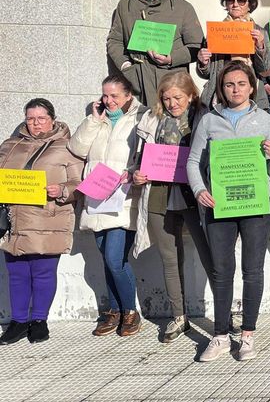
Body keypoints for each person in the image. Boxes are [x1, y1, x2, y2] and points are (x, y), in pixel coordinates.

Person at [186, 61, 270, 362]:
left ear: (252, 86)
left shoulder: (266, 120)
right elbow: (192, 162)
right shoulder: (208, 121)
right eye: (229, 84)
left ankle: (247, 335)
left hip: (256, 204)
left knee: (252, 269)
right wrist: (199, 190)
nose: (235, 89)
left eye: (241, 83)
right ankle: (218, 334)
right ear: (221, 88)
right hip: (220, 204)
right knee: (221, 270)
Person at [131, 71, 214, 343]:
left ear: (191, 95)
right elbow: (139, 158)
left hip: (194, 194)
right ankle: (178, 316)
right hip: (159, 194)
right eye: (166, 98)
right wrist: (138, 173)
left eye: (177, 97)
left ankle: (222, 316)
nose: (172, 103)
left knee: (209, 255)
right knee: (169, 258)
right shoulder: (152, 121)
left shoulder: (202, 119)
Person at [68, 75, 146, 337]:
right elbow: (77, 148)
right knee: (105, 256)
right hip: (97, 196)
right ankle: (114, 310)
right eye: (105, 95)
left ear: (128, 96)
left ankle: (130, 312)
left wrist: (134, 171)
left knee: (115, 258)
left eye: (114, 95)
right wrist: (93, 120)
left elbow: (145, 152)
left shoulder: (139, 118)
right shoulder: (97, 120)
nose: (108, 100)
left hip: (123, 197)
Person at [0, 99, 83, 345]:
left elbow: (80, 185)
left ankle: (39, 320)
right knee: (16, 272)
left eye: (41, 118)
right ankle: (18, 322)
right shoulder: (10, 145)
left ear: (52, 119)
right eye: (30, 119)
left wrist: (62, 190)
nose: (35, 123)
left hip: (48, 217)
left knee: (43, 272)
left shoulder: (67, 147)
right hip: (14, 219)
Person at [106, 0, 203, 107]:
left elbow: (196, 46)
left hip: (172, 87)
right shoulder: (126, 6)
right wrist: (126, 66)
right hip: (136, 83)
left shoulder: (183, 8)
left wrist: (171, 58)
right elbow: (114, 40)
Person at [197, 0, 270, 111]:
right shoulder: (216, 31)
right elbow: (206, 74)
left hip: (251, 96)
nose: (235, 4)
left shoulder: (260, 32)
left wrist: (260, 46)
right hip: (220, 94)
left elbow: (266, 71)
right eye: (231, 0)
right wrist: (203, 62)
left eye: (241, 0)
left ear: (250, 5)